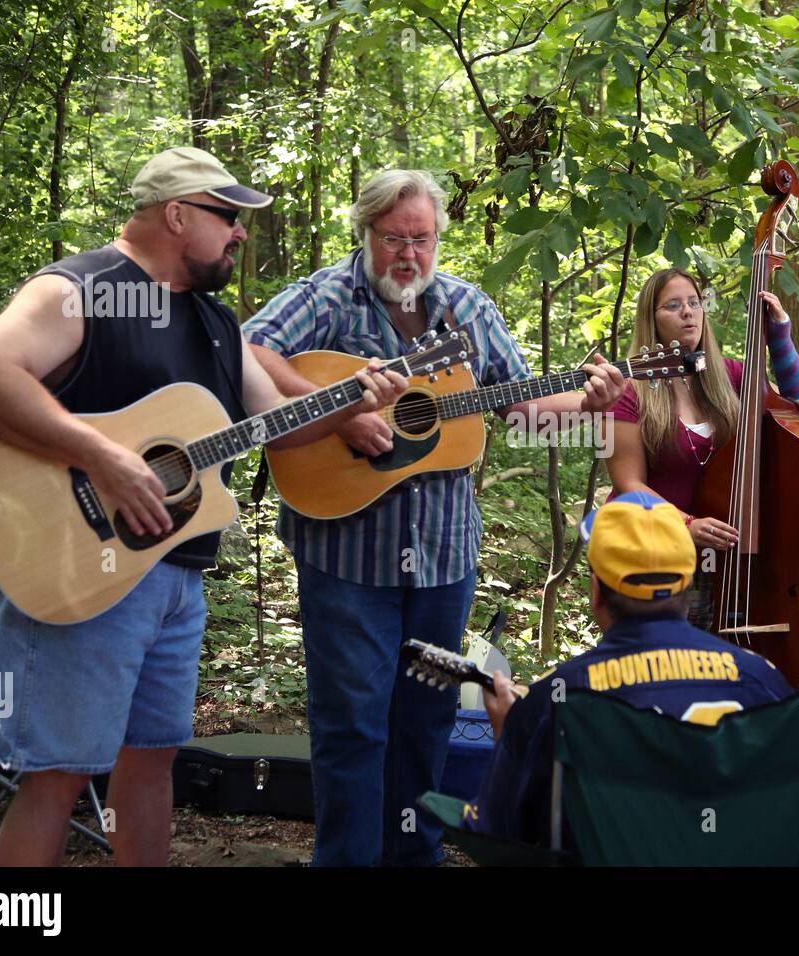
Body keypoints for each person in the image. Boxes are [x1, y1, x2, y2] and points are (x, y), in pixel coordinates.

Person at [0, 147, 405, 866]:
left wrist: (355, 398)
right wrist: (104, 458)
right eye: (228, 216)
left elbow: (280, 425)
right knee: (56, 779)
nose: (240, 232)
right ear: (177, 213)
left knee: (154, 759)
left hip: (173, 576)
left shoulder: (218, 325)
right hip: (74, 565)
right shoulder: (81, 287)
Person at [240, 168, 625, 866]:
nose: (409, 255)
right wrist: (340, 408)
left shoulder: (466, 310)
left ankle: (413, 859)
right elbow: (244, 348)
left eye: (422, 239)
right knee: (353, 727)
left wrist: (589, 403)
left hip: (443, 556)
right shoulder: (327, 296)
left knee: (427, 722)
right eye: (393, 239)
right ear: (366, 234)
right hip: (347, 554)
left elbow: (517, 405)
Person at [462, 491, 794, 846]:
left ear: (596, 592)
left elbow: (497, 833)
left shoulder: (554, 698)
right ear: (686, 587)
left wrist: (508, 738)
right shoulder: (761, 679)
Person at [606, 268, 799, 623]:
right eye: (673, 305)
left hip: (719, 556)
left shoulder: (731, 376)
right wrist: (686, 524)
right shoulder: (628, 390)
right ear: (650, 320)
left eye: (694, 302)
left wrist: (779, 337)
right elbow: (628, 484)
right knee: (659, 665)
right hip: (651, 549)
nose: (688, 312)